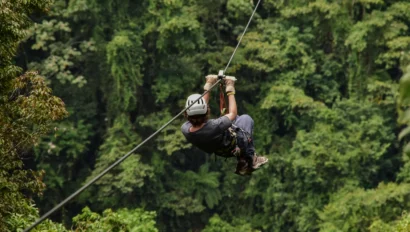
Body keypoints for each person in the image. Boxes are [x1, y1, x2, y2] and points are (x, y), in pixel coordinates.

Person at [181, 74, 268, 176]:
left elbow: (199, 111)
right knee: (245, 119)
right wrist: (230, 89)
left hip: (220, 148)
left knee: (236, 119)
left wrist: (208, 85)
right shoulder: (214, 126)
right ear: (206, 111)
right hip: (233, 144)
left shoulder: (186, 129)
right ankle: (249, 159)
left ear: (186, 114)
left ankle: (245, 160)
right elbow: (232, 113)